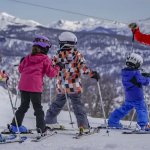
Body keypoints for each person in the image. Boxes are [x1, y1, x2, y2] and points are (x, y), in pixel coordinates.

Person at [45, 31, 100, 133]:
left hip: (61, 86)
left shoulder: (57, 55)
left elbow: (52, 67)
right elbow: (84, 69)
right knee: (78, 106)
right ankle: (83, 126)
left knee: (57, 104)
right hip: (74, 86)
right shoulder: (77, 54)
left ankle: (50, 121)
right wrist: (93, 74)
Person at [10, 36, 62, 135]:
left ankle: (14, 126)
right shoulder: (46, 59)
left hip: (24, 85)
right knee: (37, 108)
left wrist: (22, 62)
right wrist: (58, 67)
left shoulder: (27, 57)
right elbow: (51, 74)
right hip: (35, 87)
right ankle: (41, 129)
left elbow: (20, 70)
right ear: (45, 48)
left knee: (23, 106)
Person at [108, 53, 150, 130]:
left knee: (123, 110)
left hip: (129, 97)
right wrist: (147, 77)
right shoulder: (136, 73)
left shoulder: (125, 72)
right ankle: (143, 125)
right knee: (142, 109)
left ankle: (112, 121)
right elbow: (145, 82)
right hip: (137, 96)